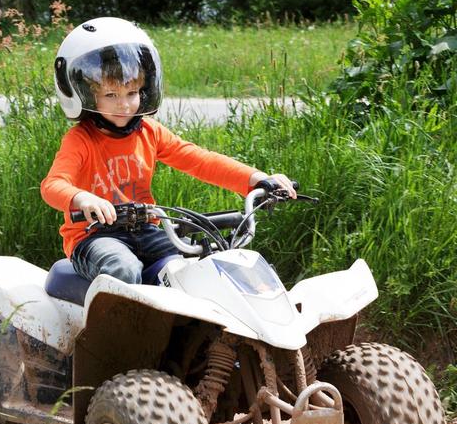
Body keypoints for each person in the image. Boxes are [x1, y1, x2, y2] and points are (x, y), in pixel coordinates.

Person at [40, 17, 296, 284]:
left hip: (146, 231)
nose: (124, 105)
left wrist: (257, 178)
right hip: (95, 237)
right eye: (111, 95)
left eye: (131, 93)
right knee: (123, 268)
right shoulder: (80, 139)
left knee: (194, 266)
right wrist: (82, 198)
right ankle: (118, 313)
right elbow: (52, 185)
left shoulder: (149, 132)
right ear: (86, 94)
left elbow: (200, 160)